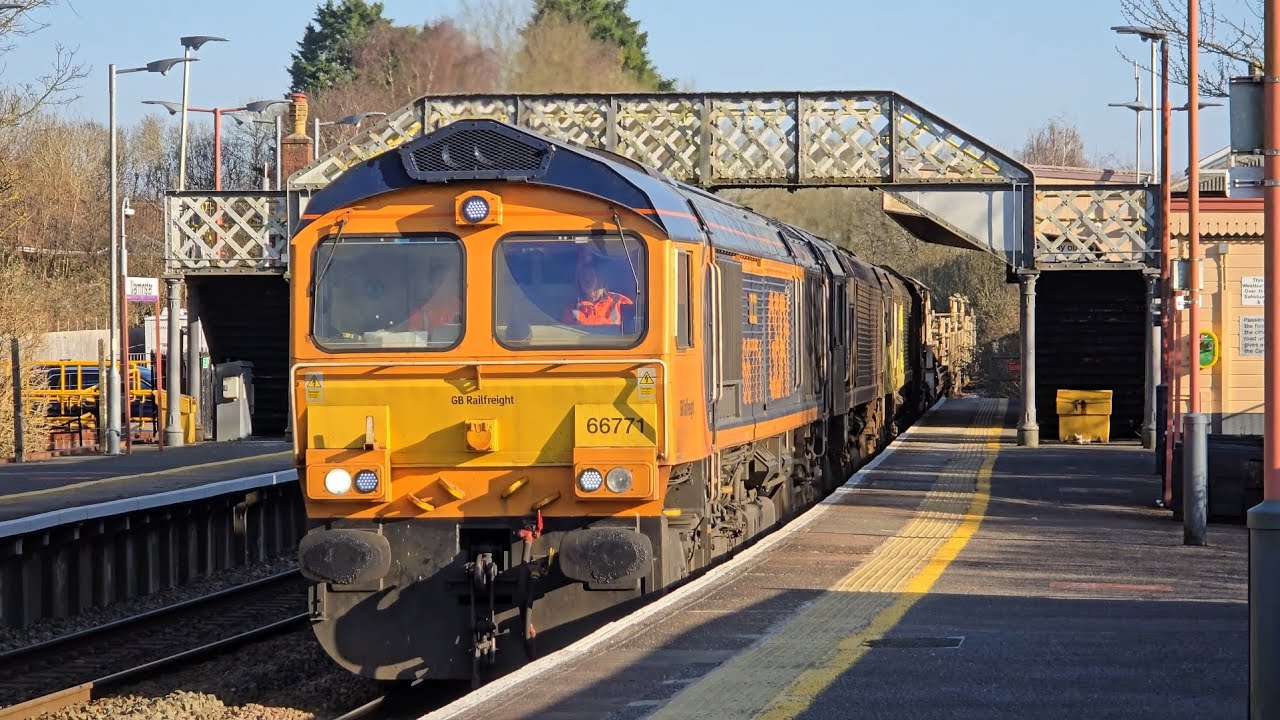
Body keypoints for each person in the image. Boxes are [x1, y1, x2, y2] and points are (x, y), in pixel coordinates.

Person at [563, 260, 633, 326]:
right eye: (583, 276)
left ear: (601, 279)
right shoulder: (571, 309)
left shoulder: (621, 301)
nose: (587, 279)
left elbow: (633, 330)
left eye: (591, 275)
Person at [407, 261, 462, 331]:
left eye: (448, 282)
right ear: (430, 285)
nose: (444, 286)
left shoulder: (462, 307)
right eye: (440, 282)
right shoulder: (421, 311)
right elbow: (414, 337)